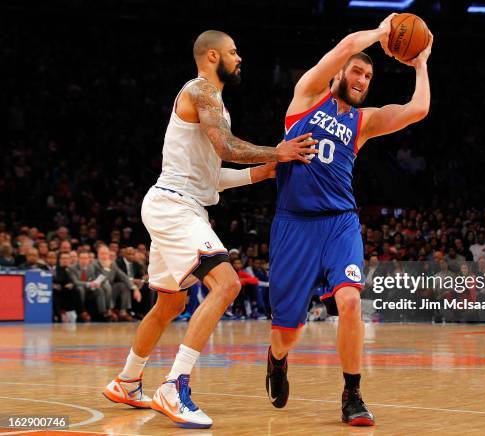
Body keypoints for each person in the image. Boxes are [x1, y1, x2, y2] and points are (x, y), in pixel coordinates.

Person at [102, 30, 317, 429]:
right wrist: (279, 151)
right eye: (234, 52)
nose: (240, 58)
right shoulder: (202, 91)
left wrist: (261, 172)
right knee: (228, 284)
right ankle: (173, 385)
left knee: (170, 304)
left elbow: (212, 175)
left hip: (180, 203)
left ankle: (127, 381)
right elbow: (226, 148)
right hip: (175, 205)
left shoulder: (214, 104)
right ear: (213, 55)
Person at [266, 14, 432, 426]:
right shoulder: (306, 96)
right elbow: (343, 48)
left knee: (350, 300)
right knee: (288, 332)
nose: (362, 79)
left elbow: (418, 109)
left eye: (369, 76)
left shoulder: (363, 122)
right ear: (340, 73)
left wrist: (422, 61)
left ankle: (352, 393)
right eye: (357, 71)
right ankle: (277, 358)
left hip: (340, 222)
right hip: (294, 223)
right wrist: (382, 31)